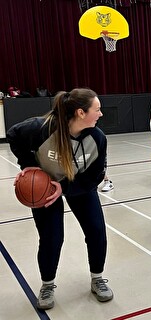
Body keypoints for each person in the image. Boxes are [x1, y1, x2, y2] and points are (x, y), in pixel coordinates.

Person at [6, 88, 113, 310]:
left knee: (96, 232)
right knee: (51, 239)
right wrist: (29, 165)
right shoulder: (43, 128)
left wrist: (64, 188)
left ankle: (97, 278)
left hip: (80, 186)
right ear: (81, 113)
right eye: (97, 109)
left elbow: (95, 177)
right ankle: (47, 284)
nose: (101, 114)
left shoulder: (97, 138)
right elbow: (14, 134)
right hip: (44, 189)